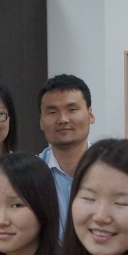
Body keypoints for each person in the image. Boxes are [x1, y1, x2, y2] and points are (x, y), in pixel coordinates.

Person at [37, 74, 94, 235]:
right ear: (41, 121)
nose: (63, 119)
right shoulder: (31, 174)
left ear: (90, 115)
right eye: (52, 112)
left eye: (72, 110)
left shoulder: (112, 169)